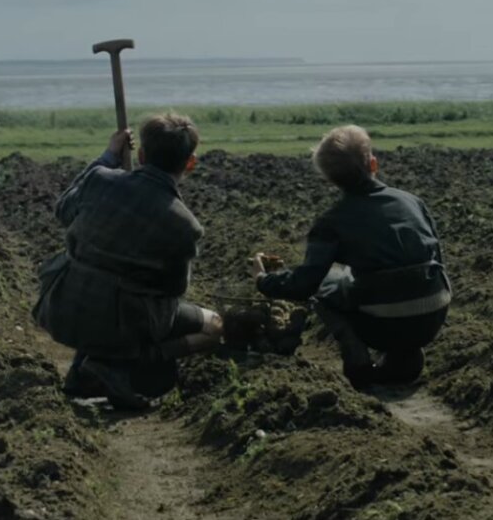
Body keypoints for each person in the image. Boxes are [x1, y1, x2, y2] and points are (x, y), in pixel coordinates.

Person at [34, 113, 223, 410]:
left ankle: (88, 368)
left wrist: (108, 156)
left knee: (110, 297)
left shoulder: (99, 179)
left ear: (142, 155)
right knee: (213, 326)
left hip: (60, 307)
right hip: (120, 325)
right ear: (190, 163)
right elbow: (173, 292)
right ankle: (120, 364)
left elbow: (63, 211)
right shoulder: (186, 225)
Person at [253, 125, 450, 390]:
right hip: (434, 313)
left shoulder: (332, 221)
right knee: (390, 280)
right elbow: (438, 257)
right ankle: (404, 358)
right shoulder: (412, 201)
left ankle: (357, 360)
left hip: (382, 322)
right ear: (373, 164)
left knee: (325, 286)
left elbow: (304, 284)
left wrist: (264, 280)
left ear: (331, 180)